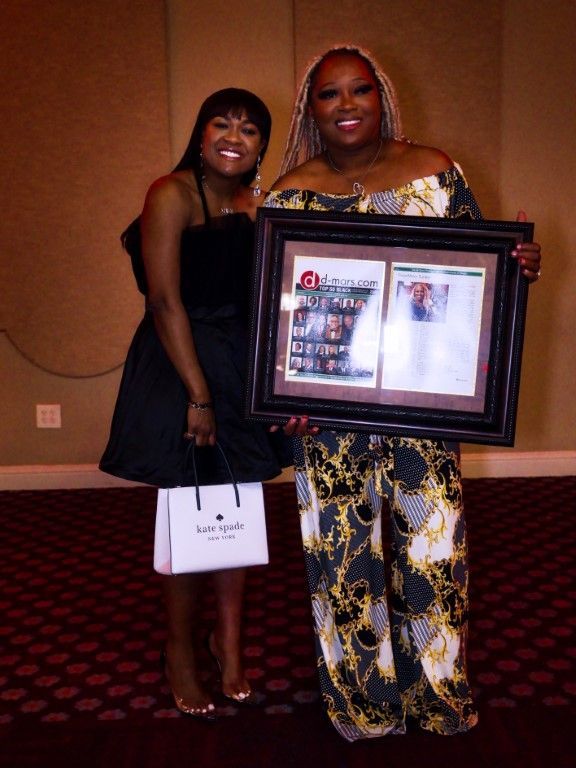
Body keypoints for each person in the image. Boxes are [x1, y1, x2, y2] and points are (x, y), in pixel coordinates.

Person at [266, 45, 541, 741]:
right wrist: (281, 391)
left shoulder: (435, 173)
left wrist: (518, 266)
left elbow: (478, 270)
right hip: (328, 417)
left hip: (421, 406)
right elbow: (274, 312)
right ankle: (362, 703)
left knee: (431, 549)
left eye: (361, 90)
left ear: (382, 98)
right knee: (343, 559)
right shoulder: (289, 193)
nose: (348, 104)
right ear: (311, 110)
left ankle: (438, 694)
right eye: (331, 94)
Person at [99, 88, 291, 718]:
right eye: (223, 123)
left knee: (239, 512)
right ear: (202, 132)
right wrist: (199, 397)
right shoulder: (170, 193)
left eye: (251, 129)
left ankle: (228, 647)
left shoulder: (258, 201)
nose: (235, 136)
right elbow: (164, 301)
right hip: (181, 366)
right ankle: (179, 651)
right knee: (189, 518)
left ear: (263, 144)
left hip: (239, 367)